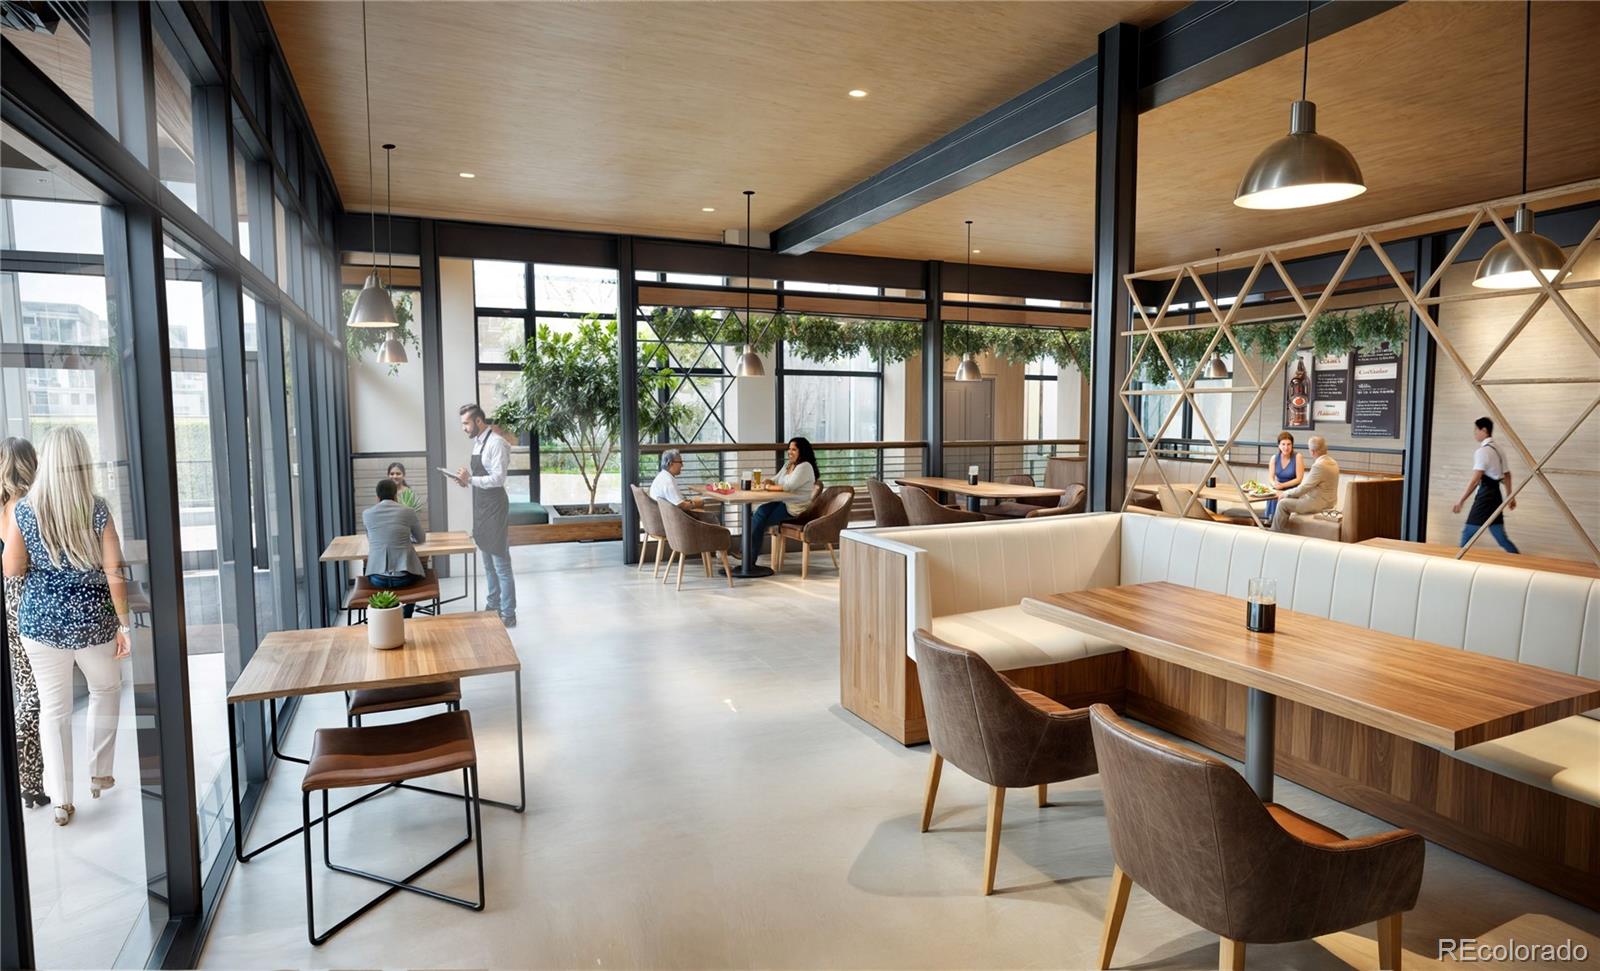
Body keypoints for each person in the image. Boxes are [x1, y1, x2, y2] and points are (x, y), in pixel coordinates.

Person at [0, 427, 131, 826]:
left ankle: (61, 800)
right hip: (94, 622)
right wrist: (124, 623)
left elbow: (11, 567)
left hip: (40, 625)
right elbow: (114, 571)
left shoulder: (25, 510)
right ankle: (99, 772)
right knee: (106, 689)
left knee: (53, 711)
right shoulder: (96, 508)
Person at [1, 437, 45, 809]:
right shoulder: (26, 506)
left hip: (7, 599)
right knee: (37, 695)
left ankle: (32, 781)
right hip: (27, 599)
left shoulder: (2, 505)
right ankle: (19, 758)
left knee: (26, 686)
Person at [454, 403, 515, 627]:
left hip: (495, 508)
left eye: (466, 423)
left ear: (478, 421)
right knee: (488, 564)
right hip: (481, 506)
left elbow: (498, 478)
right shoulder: (479, 443)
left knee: (501, 563)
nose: (464, 428)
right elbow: (480, 477)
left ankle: (508, 613)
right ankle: (493, 605)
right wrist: (465, 482)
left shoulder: (496, 443)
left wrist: (470, 479)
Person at [1452, 416, 1519, 553]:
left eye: (1476, 430)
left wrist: (1461, 500)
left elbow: (1476, 479)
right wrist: (1510, 497)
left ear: (1484, 430)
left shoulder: (1482, 452)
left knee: (1467, 533)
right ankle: (1521, 561)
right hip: (1496, 497)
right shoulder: (1499, 449)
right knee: (1501, 537)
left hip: (1485, 498)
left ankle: (1457, 564)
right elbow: (1507, 475)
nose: (1475, 433)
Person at [364, 478, 426, 618]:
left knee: (383, 585)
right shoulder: (407, 511)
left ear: (377, 497)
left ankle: (385, 617)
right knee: (417, 574)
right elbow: (421, 538)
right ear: (395, 495)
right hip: (405, 577)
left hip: (377, 577)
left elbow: (371, 539)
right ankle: (406, 617)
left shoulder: (367, 514)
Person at [750, 437, 819, 556]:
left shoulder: (805, 467)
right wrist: (766, 482)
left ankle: (748, 557)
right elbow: (776, 480)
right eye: (789, 449)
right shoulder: (789, 464)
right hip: (783, 502)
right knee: (758, 513)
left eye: (794, 449)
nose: (789, 452)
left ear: (802, 451)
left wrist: (768, 488)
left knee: (757, 518)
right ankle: (747, 555)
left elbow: (789, 486)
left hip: (795, 509)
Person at [1270, 435, 1340, 531]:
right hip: (1329, 501)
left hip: (1319, 503)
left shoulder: (1319, 465)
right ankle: (1284, 531)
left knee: (1283, 504)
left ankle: (1275, 532)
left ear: (1312, 451)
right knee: (1290, 497)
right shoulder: (1333, 462)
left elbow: (1304, 487)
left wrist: (1285, 493)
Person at [1262, 431, 1306, 521]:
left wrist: (1283, 485)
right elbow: (1270, 478)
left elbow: (1299, 479)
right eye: (1283, 444)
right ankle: (1270, 521)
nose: (1286, 447)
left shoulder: (1298, 457)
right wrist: (1274, 484)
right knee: (1272, 495)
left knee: (1279, 496)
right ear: (1279, 445)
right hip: (1278, 488)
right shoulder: (1274, 458)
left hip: (1293, 490)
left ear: (1292, 445)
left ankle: (1277, 524)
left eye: (1289, 444)